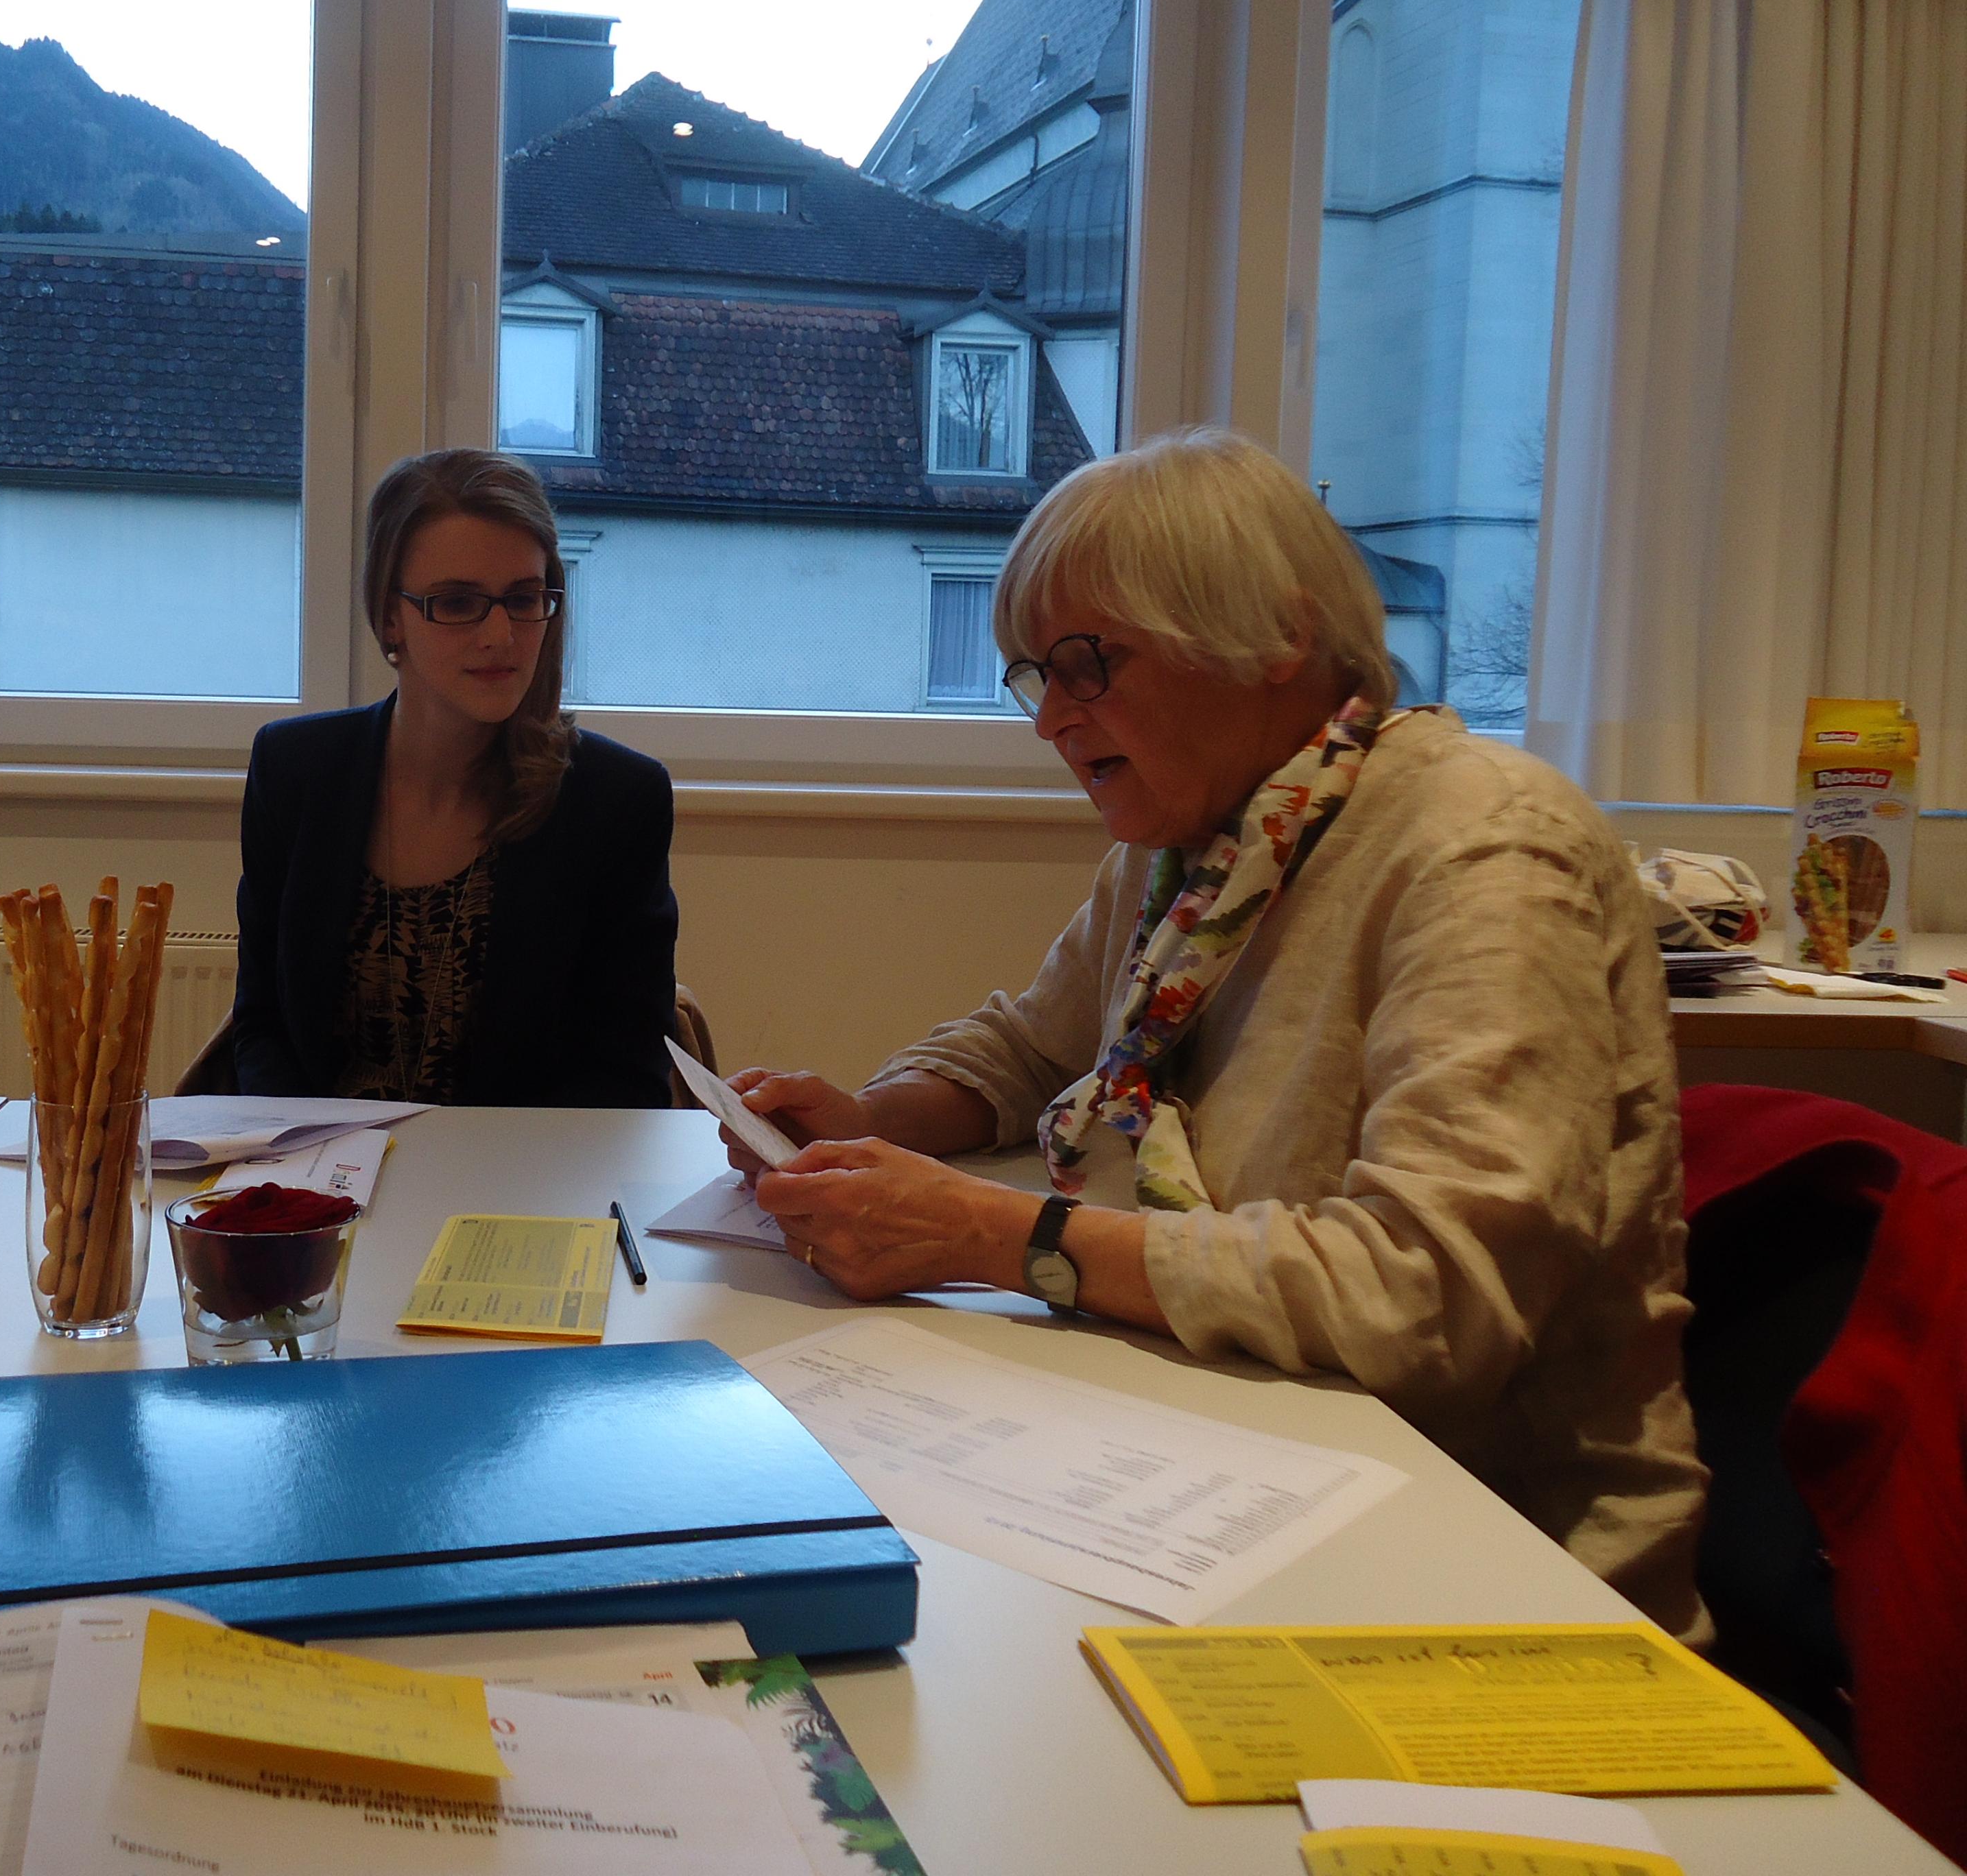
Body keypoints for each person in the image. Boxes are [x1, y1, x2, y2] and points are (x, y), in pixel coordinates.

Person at [728, 427, 1706, 1635]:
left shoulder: (1484, 846)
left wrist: (990, 1235)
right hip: (1235, 1484)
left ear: (1278, 636)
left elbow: (1427, 1299)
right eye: (1036, 675)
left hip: (1496, 1578)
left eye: (1088, 664)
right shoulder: (1198, 849)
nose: (1050, 720)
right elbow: (1031, 1048)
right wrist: (872, 1119)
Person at [230, 448, 677, 1107]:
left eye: (523, 599)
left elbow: (626, 1077)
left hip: (525, 1168)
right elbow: (261, 1028)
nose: (501, 635)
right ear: (390, 616)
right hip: (318, 1162)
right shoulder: (295, 771)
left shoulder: (614, 801)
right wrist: (302, 1153)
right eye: (459, 602)